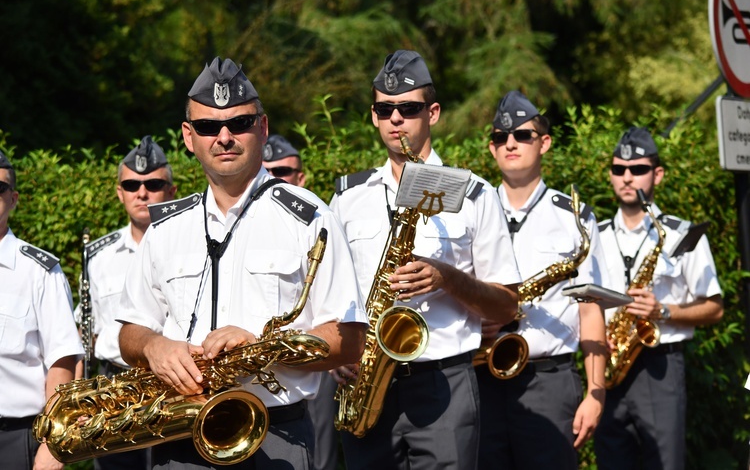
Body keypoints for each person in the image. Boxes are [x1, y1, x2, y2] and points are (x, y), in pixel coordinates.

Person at [117, 56, 367, 470]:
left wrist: (264, 348)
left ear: (263, 128)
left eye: (240, 123)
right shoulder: (166, 227)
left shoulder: (311, 217)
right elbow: (130, 331)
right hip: (178, 437)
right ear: (188, 136)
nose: (225, 136)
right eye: (209, 127)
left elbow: (349, 338)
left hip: (276, 436)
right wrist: (154, 346)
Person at [330, 49, 522, 470]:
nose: (396, 119)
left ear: (432, 113)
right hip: (364, 384)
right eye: (385, 109)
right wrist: (337, 358)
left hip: (443, 383)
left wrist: (447, 279)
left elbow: (507, 305)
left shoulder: (474, 195)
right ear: (374, 116)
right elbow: (326, 296)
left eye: (409, 108)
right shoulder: (347, 198)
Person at [479, 90, 608, 469]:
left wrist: (596, 393)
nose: (511, 143)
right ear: (491, 148)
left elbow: (590, 309)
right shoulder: (471, 211)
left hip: (548, 383)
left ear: (545, 143)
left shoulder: (575, 217)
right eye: (501, 138)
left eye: (523, 135)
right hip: (480, 377)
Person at [593, 127, 724, 470]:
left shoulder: (682, 233)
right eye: (619, 169)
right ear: (610, 174)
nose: (627, 177)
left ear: (658, 174)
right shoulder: (597, 235)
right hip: (607, 364)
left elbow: (714, 308)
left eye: (638, 169)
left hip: (659, 368)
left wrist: (662, 310)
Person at [80, 135, 176, 470]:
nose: (142, 191)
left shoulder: (191, 249)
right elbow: (85, 331)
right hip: (114, 392)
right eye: (132, 184)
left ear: (171, 191)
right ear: (120, 192)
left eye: (153, 183)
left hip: (174, 388)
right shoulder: (98, 256)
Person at [0, 149, 84, 470]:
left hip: (15, 437)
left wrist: (53, 443)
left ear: (13, 198)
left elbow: (62, 359)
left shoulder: (39, 270)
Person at [262, 133, 339, 470]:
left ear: (301, 176)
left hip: (307, 364)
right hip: (249, 377)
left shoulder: (315, 220)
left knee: (319, 454)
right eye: (267, 171)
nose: (273, 178)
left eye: (282, 171)